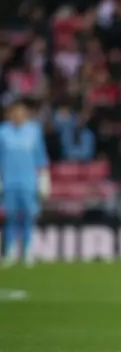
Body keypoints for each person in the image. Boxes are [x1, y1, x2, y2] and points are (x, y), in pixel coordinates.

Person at [0, 100, 51, 267]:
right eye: (15, 112)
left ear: (26, 114)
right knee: (11, 217)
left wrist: (44, 179)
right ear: (11, 114)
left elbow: (41, 158)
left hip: (29, 183)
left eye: (21, 112)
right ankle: (10, 251)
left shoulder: (34, 132)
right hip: (9, 183)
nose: (18, 115)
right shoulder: (3, 132)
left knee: (29, 217)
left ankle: (28, 250)